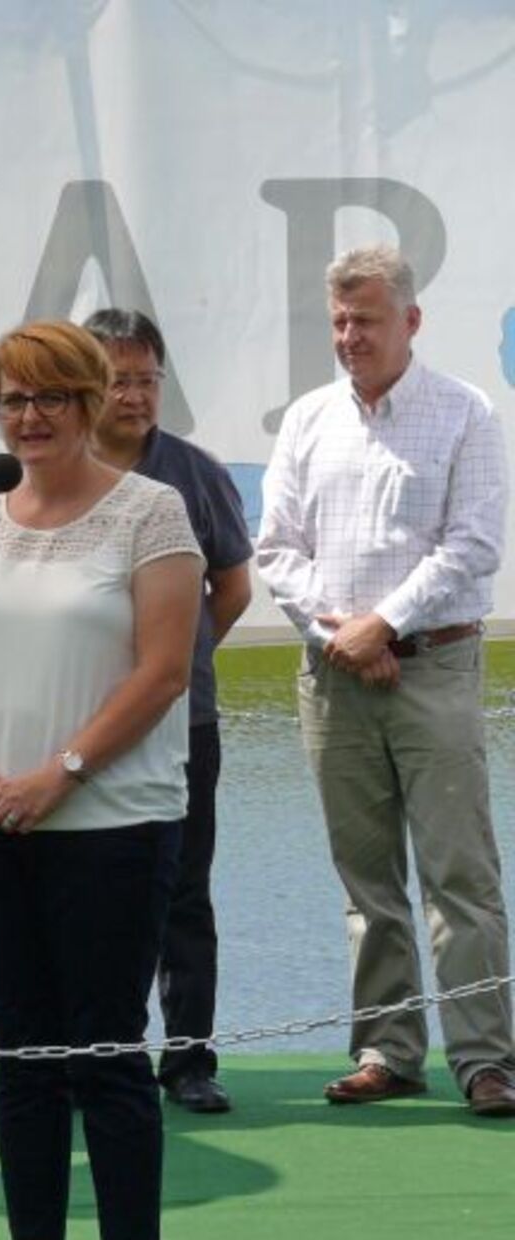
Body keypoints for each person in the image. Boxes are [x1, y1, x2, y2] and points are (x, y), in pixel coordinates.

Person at [0, 321, 202, 1240]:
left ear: (89, 404)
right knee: (21, 1058)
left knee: (106, 1054)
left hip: (112, 824)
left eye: (50, 398)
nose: (29, 418)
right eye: (13, 399)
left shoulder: (151, 513)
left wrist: (59, 773)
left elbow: (162, 671)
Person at [255, 244, 515, 1119]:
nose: (349, 337)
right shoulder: (308, 419)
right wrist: (344, 635)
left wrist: (385, 623)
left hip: (434, 666)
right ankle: (389, 1052)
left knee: (459, 875)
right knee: (365, 879)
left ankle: (486, 1059)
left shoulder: (465, 412)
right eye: (338, 321)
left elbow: (474, 544)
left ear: (411, 320)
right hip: (335, 673)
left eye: (364, 320)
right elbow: (277, 550)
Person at [83, 309, 253, 1115]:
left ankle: (188, 1059)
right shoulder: (59, 469)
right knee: (85, 889)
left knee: (183, 888)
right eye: (119, 380)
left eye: (147, 380)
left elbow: (234, 585)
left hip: (183, 720)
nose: (136, 396)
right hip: (76, 717)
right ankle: (92, 1053)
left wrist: (170, 658)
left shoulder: (193, 473)